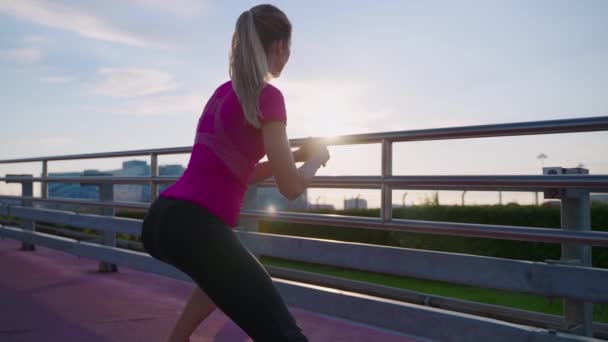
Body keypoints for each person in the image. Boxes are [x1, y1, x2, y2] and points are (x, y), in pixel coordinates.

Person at [141, 4, 330, 342]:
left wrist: (296, 154)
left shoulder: (222, 92)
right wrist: (315, 159)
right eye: (289, 49)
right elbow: (291, 187)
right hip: (196, 226)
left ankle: (177, 339)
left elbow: (238, 171)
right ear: (279, 47)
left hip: (162, 219)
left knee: (220, 275)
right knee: (285, 334)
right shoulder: (269, 96)